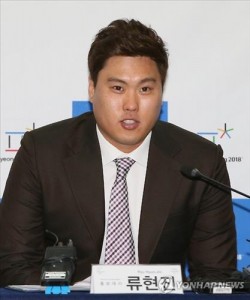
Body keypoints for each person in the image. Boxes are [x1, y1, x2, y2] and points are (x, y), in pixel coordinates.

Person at [0, 19, 236, 286]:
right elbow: (14, 265)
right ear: (92, 89)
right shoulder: (42, 153)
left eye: (145, 89)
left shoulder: (200, 161)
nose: (131, 105)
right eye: (117, 88)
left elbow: (217, 277)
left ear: (161, 92)